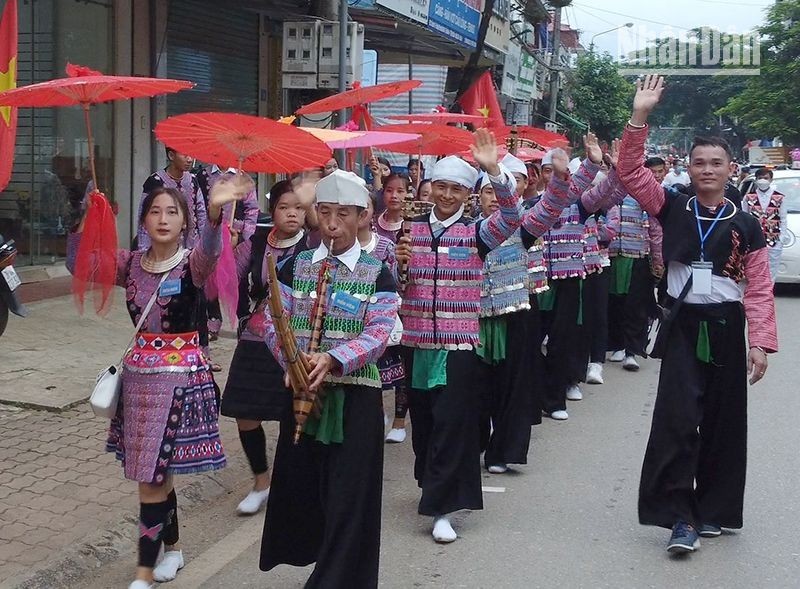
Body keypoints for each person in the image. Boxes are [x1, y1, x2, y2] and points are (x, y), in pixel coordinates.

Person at [618, 74, 777, 554]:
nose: (707, 170)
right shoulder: (671, 205)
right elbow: (628, 172)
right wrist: (640, 116)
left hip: (727, 326)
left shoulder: (746, 225)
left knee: (725, 423)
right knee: (678, 420)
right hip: (684, 326)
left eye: (716, 163)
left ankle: (714, 511)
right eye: (698, 162)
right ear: (687, 168)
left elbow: (760, 287)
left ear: (731, 169)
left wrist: (760, 341)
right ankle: (679, 519)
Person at [67, 176, 250, 589]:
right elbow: (80, 264)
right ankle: (174, 550)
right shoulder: (131, 263)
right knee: (156, 474)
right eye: (155, 211)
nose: (163, 219)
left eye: (172, 211)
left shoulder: (192, 264)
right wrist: (84, 216)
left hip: (179, 381)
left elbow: (211, 250)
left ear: (184, 221)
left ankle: (143, 573)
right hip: (137, 383)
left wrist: (217, 213)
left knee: (151, 476)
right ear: (144, 221)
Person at [259, 169, 399, 588]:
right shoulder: (293, 265)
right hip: (302, 393)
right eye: (325, 212)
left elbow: (379, 333)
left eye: (344, 214)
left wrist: (335, 359)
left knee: (348, 498)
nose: (334, 223)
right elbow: (271, 320)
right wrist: (290, 360)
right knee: (307, 490)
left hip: (355, 399)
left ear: (362, 217)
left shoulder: (378, 272)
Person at [394, 129, 523, 543]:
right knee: (426, 422)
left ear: (468, 194)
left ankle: (443, 507)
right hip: (415, 341)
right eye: (441, 187)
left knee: (453, 423)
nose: (447, 195)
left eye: (456, 189)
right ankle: (432, 483)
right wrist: (397, 267)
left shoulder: (478, 234)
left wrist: (493, 171)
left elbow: (512, 218)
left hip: (459, 345)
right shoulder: (408, 232)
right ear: (430, 188)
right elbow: (394, 287)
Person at [475, 151, 584, 474]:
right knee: (474, 388)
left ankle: (502, 450)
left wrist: (563, 178)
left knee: (514, 385)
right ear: (477, 196)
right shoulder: (468, 231)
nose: (494, 199)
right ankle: (474, 441)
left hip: (516, 316)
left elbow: (552, 206)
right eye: (487, 192)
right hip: (473, 319)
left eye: (500, 192)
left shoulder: (524, 229)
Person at [220, 180, 309, 516]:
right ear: (273, 211)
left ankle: (289, 485)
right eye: (286, 207)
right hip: (255, 339)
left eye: (299, 208)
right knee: (245, 413)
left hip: (294, 344)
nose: (292, 214)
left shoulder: (313, 249)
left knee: (293, 416)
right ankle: (261, 481)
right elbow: (224, 279)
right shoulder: (256, 242)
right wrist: (226, 249)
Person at [605, 157, 666, 373]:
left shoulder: (645, 196)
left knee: (636, 306)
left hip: (638, 257)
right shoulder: (609, 193)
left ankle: (633, 350)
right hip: (611, 257)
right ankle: (617, 344)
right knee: (613, 303)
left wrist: (658, 260)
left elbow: (656, 230)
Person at [357, 195, 407, 443]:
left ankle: (399, 421)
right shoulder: (337, 245)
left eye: (366, 205)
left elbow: (398, 283)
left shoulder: (385, 245)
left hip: (382, 321)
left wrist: (401, 263)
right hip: (353, 323)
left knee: (396, 374)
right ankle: (376, 416)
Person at [137, 147, 206, 251]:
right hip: (161, 248)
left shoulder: (193, 180)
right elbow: (144, 217)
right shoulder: (155, 182)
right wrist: (144, 249)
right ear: (171, 156)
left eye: (191, 155)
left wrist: (203, 247)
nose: (190, 159)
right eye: (185, 155)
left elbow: (201, 214)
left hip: (191, 248)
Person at [742, 167, 787, 281]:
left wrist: (781, 240)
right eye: (760, 178)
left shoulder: (779, 198)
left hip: (773, 239)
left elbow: (783, 219)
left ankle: (768, 293)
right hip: (754, 240)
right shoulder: (749, 197)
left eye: (765, 178)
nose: (763, 180)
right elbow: (744, 218)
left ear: (771, 180)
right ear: (756, 180)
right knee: (754, 267)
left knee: (771, 270)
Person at [375, 173, 410, 242]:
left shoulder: (415, 225)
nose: (394, 195)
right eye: (389, 191)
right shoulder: (373, 221)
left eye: (400, 191)